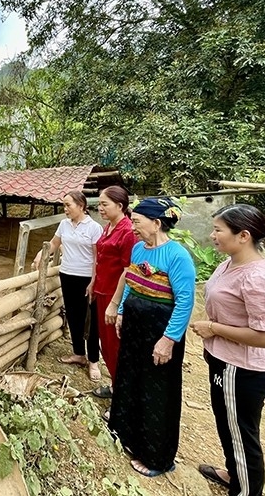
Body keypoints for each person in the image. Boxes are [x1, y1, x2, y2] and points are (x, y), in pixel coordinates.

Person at [190, 204, 265, 496]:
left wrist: (214, 328)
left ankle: (246, 490)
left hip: (243, 370)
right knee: (230, 427)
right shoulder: (229, 263)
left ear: (243, 235)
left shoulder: (258, 278)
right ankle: (235, 474)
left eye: (218, 230)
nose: (213, 235)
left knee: (242, 436)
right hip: (225, 362)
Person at [104, 197, 196, 477]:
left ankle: (158, 457)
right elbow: (131, 283)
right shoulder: (137, 249)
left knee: (156, 390)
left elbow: (185, 302)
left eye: (137, 222)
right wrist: (121, 312)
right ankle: (127, 436)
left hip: (159, 331)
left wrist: (168, 340)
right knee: (129, 379)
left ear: (156, 224)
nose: (133, 227)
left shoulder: (177, 256)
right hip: (134, 327)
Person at [33, 190, 102, 366]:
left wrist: (94, 281)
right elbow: (54, 243)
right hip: (67, 275)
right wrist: (41, 255)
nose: (65, 209)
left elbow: (97, 257)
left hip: (87, 278)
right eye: (64, 205)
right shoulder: (64, 224)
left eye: (68, 205)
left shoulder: (94, 228)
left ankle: (93, 360)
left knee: (90, 319)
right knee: (73, 315)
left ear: (81, 206)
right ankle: (78, 353)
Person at [88, 186, 136, 392]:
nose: (100, 208)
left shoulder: (127, 232)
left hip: (113, 296)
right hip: (102, 291)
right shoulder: (109, 227)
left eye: (104, 204)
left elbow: (127, 271)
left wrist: (116, 304)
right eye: (99, 204)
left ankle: (122, 394)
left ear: (120, 206)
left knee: (115, 346)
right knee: (106, 344)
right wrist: (93, 282)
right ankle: (117, 386)